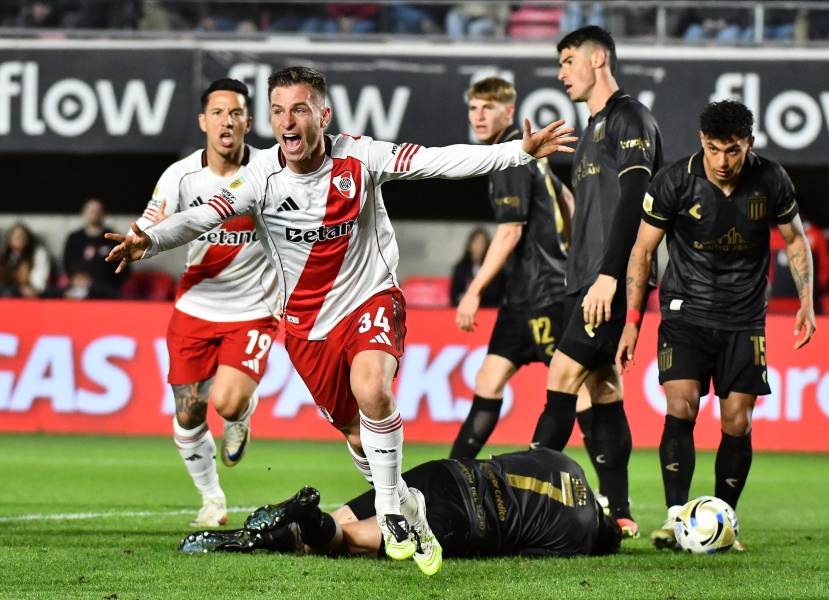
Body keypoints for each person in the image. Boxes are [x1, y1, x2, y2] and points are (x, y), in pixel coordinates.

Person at [105, 65, 577, 576]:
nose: (288, 121)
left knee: (373, 386)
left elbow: (439, 162)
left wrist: (517, 151)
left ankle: (393, 512)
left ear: (323, 115)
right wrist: (148, 240)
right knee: (357, 436)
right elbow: (203, 215)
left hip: (370, 297)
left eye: (300, 109)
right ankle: (407, 504)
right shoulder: (260, 178)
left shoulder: (360, 156)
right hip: (308, 329)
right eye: (279, 111)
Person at [615, 99, 817, 551]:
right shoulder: (673, 181)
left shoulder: (771, 179)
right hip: (685, 313)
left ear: (749, 143)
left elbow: (796, 241)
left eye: (732, 151)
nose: (722, 162)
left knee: (738, 422)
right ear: (701, 142)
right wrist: (631, 322)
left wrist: (805, 302)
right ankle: (674, 517)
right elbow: (642, 252)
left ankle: (724, 522)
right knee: (681, 405)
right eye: (712, 150)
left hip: (744, 318)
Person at [527, 26, 663, 539]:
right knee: (603, 387)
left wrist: (609, 276)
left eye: (567, 60)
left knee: (561, 378)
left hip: (607, 279)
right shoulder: (588, 133)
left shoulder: (629, 118)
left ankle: (524, 496)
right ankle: (621, 510)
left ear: (598, 58)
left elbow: (636, 200)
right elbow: (593, 208)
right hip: (583, 277)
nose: (561, 73)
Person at [132, 78, 280, 528]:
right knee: (187, 412)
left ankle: (241, 416)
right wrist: (138, 239)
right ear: (204, 122)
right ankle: (212, 500)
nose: (226, 121)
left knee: (228, 402)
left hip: (254, 308)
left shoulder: (271, 169)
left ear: (248, 122)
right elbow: (153, 220)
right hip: (195, 307)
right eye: (217, 113)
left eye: (235, 113)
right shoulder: (180, 176)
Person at [449, 77, 592, 468]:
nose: (478, 116)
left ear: (509, 111)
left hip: (545, 292)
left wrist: (474, 290)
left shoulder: (510, 155)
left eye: (488, 108)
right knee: (488, 380)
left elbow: (510, 231)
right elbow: (565, 197)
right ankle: (454, 473)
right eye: (473, 108)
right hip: (523, 295)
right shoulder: (524, 152)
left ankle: (613, 497)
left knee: (577, 391)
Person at [179, 447, 622, 561]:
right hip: (463, 519)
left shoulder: (566, 462)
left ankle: (251, 539)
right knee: (348, 541)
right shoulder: (580, 539)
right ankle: (307, 518)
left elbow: (513, 456)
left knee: (340, 523)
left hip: (447, 473)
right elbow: (522, 553)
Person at [63, 198, 129, 298]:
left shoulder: (113, 238)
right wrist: (78, 279)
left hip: (107, 289)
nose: (95, 213)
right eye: (91, 210)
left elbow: (124, 266)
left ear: (104, 213)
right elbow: (68, 264)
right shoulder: (74, 239)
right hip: (80, 288)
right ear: (83, 212)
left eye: (98, 211)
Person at [448, 227, 505, 308]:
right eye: (476, 242)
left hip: (488, 310)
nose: (479, 246)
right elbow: (455, 294)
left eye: (482, 243)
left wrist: (478, 297)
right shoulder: (461, 268)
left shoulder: (494, 268)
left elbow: (497, 292)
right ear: (470, 245)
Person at [0, 223, 53, 298]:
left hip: (35, 294)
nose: (19, 239)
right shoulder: (8, 256)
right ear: (9, 240)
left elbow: (39, 283)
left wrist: (30, 286)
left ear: (28, 239)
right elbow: (2, 281)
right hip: (12, 293)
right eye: (16, 236)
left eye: (22, 236)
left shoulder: (38, 254)